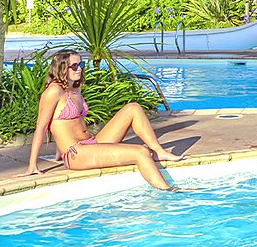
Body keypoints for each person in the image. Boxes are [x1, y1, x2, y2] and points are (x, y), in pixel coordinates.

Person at [21, 50, 185, 190]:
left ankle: (159, 151)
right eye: (75, 66)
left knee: (133, 108)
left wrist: (57, 152)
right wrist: (32, 165)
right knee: (140, 152)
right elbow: (42, 128)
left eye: (81, 64)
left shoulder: (74, 88)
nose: (80, 69)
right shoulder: (53, 92)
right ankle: (169, 191)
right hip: (76, 154)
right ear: (63, 68)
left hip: (92, 143)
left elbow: (69, 123)